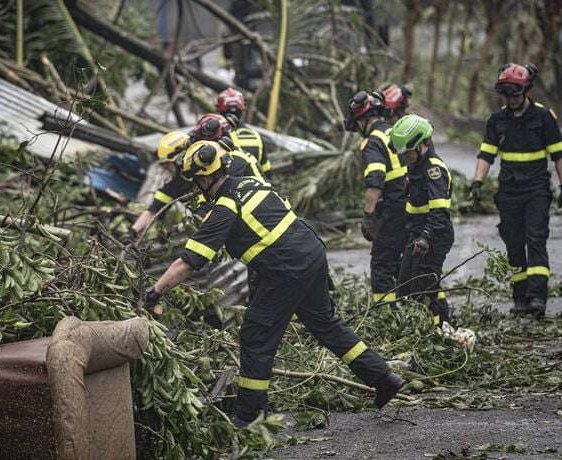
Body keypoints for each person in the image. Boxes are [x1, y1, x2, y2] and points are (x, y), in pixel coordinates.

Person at [143, 141, 404, 426]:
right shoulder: (251, 183)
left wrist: (155, 292)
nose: (195, 188)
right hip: (311, 252)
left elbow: (189, 262)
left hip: (287, 269)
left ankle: (250, 416)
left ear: (205, 178)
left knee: (255, 334)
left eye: (196, 182)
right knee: (325, 324)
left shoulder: (226, 208)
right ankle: (383, 377)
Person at [469, 63, 562, 318]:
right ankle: (520, 298)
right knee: (514, 245)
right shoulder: (497, 121)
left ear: (526, 90)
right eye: (506, 95)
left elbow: (560, 155)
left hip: (537, 189)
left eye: (515, 94)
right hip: (509, 191)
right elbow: (486, 155)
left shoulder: (543, 117)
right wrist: (476, 183)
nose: (511, 99)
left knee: (536, 240)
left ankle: (538, 297)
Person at [129, 116, 265, 241]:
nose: (166, 168)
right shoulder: (179, 180)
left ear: (179, 158)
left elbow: (209, 214)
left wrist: (176, 230)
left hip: (254, 216)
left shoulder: (214, 170)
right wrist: (133, 231)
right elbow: (153, 209)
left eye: (167, 164)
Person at [344, 90, 408, 304]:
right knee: (403, 262)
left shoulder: (372, 142)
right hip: (411, 205)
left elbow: (376, 178)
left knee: (381, 265)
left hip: (392, 209)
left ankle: (385, 314)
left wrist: (368, 215)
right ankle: (410, 307)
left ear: (362, 119)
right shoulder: (395, 131)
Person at [390, 114, 454, 326]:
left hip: (435, 234)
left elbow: (439, 212)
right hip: (417, 232)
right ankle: (425, 324)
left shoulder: (433, 170)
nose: (405, 156)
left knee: (425, 283)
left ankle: (440, 326)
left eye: (408, 152)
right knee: (405, 284)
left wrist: (426, 237)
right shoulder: (415, 165)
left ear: (421, 145)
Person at [217, 88, 271, 173]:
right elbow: (266, 170)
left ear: (219, 109)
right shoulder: (256, 136)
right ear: (242, 109)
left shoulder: (215, 137)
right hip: (256, 183)